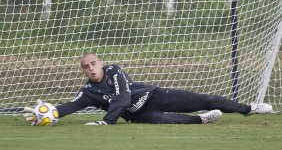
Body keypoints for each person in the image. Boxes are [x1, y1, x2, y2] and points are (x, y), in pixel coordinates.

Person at [23, 53, 273, 126]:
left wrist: (107, 122)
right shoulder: (88, 90)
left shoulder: (114, 71)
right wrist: (49, 113)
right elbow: (71, 105)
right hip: (138, 115)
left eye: (93, 64)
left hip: (155, 95)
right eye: (86, 67)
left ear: (100, 63)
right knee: (167, 121)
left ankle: (249, 108)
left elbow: (121, 98)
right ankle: (201, 121)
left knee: (204, 98)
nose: (90, 69)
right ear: (84, 71)